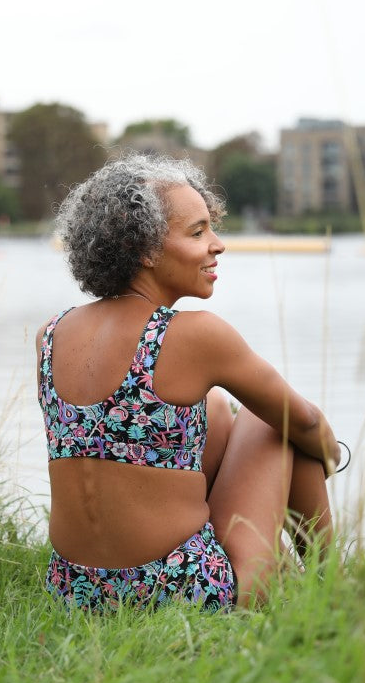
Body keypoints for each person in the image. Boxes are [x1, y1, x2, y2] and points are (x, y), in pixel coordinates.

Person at [38, 153, 342, 612]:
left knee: (217, 409)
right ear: (145, 249)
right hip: (181, 596)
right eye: (198, 232)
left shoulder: (51, 334)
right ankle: (332, 586)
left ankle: (310, 584)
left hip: (75, 592)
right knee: (272, 422)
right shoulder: (196, 334)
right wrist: (332, 454)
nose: (218, 245)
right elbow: (304, 422)